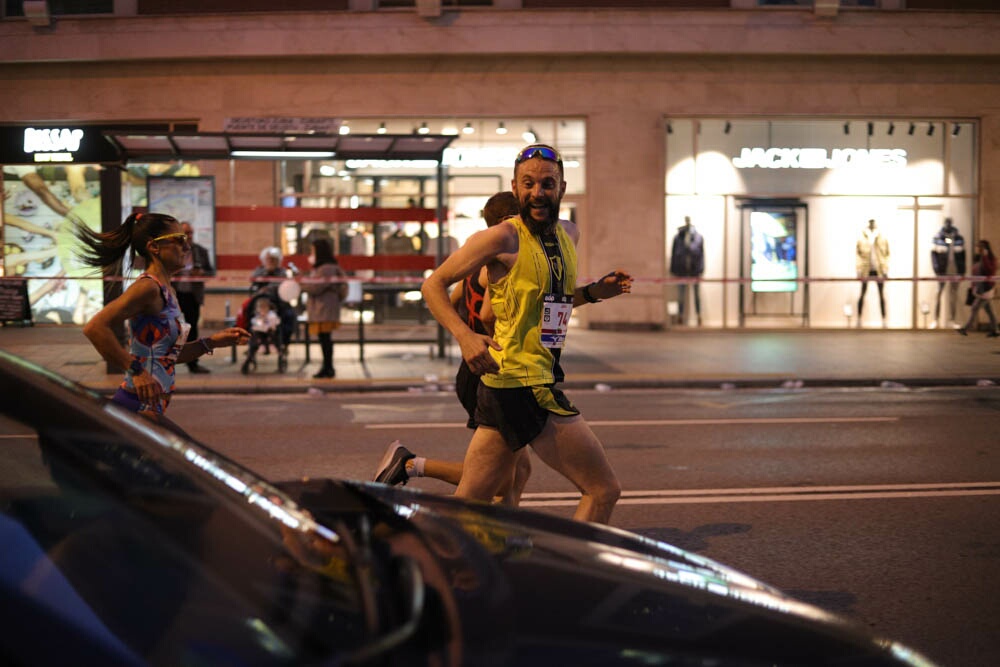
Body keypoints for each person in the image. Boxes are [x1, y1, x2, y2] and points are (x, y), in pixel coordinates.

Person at [418, 144, 632, 525]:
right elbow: (433, 285)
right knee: (603, 490)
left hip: (507, 386)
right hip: (524, 385)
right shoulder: (501, 238)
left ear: (562, 188)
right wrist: (466, 337)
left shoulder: (569, 234)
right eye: (528, 184)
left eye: (547, 184)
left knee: (471, 503)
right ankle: (570, 579)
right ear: (515, 188)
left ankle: (424, 565)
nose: (538, 192)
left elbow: (556, 305)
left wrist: (596, 292)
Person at [373, 191, 532, 506]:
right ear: (506, 222)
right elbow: (488, 314)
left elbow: (456, 300)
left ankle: (502, 536)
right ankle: (410, 466)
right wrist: (488, 340)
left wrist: (465, 336)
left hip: (472, 368)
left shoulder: (475, 265)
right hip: (491, 367)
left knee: (517, 471)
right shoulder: (500, 264)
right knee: (500, 478)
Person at [74, 212, 249, 428]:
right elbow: (94, 327)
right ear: (154, 247)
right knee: (189, 458)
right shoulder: (148, 288)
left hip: (150, 408)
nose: (187, 247)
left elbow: (167, 357)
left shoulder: (166, 290)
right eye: (179, 239)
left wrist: (211, 342)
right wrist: (136, 371)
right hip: (137, 408)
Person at [301, 237, 348, 379]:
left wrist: (301, 284)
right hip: (324, 307)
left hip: (324, 308)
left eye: (313, 250)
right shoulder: (326, 267)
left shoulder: (326, 269)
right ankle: (327, 367)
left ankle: (328, 367)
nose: (311, 253)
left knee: (325, 339)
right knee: (324, 338)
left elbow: (316, 288)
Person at [172, 221, 214, 373]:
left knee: (192, 329)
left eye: (190, 233)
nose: (188, 236)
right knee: (171, 328)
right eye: (185, 233)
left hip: (192, 295)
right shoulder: (172, 251)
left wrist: (201, 273)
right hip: (174, 295)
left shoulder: (200, 251)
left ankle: (193, 363)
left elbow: (211, 271)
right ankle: (167, 360)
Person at [957, 239, 998, 338]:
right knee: (990, 311)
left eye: (980, 247)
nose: (978, 249)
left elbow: (989, 270)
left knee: (975, 308)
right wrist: (973, 285)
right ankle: (995, 330)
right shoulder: (979, 259)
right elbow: (976, 273)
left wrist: (985, 257)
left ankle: (965, 328)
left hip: (987, 289)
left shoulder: (991, 259)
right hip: (980, 289)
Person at [931, 217, 966, 329]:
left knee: (953, 295)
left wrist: (962, 271)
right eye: (947, 223)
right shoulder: (937, 238)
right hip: (942, 270)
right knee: (939, 293)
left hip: (955, 270)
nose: (948, 225)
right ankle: (935, 319)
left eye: (950, 223)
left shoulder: (959, 238)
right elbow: (933, 255)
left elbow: (963, 256)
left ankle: (952, 319)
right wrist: (936, 269)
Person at [670, 216, 705, 326]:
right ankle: (680, 316)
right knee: (681, 295)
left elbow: (701, 255)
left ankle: (699, 315)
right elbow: (674, 254)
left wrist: (701, 269)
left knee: (697, 295)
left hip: (695, 271)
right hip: (681, 270)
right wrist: (674, 269)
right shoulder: (678, 238)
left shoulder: (698, 237)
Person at [856, 218, 890, 327]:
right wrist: (859, 269)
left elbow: (887, 254)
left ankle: (884, 319)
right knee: (862, 294)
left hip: (879, 270)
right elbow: (858, 255)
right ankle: (859, 318)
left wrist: (885, 268)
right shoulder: (862, 238)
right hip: (866, 270)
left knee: (881, 295)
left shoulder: (882, 237)